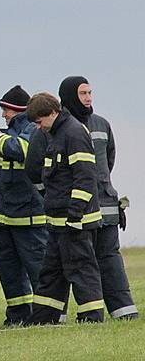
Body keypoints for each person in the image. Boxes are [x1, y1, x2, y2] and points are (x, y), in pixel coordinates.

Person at [58, 76, 138, 320]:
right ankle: (56, 316)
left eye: (90, 93)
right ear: (70, 95)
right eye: (83, 93)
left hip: (105, 207)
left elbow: (108, 162)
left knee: (110, 260)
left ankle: (123, 312)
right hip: (75, 211)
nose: (89, 98)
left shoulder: (102, 124)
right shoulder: (58, 127)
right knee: (73, 263)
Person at [25, 93, 104, 324]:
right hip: (58, 222)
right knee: (52, 272)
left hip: (75, 221)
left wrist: (75, 214)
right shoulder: (57, 134)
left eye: (39, 123)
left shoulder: (74, 133)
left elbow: (85, 177)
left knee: (81, 269)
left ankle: (91, 316)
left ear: (51, 113)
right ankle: (44, 318)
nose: (39, 128)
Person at [0, 85, 47, 325]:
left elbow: (20, 150)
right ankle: (19, 316)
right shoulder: (10, 132)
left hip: (31, 216)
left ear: (17, 110)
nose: (3, 115)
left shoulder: (33, 129)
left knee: (37, 268)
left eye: (6, 110)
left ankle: (45, 315)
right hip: (8, 216)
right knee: (9, 271)